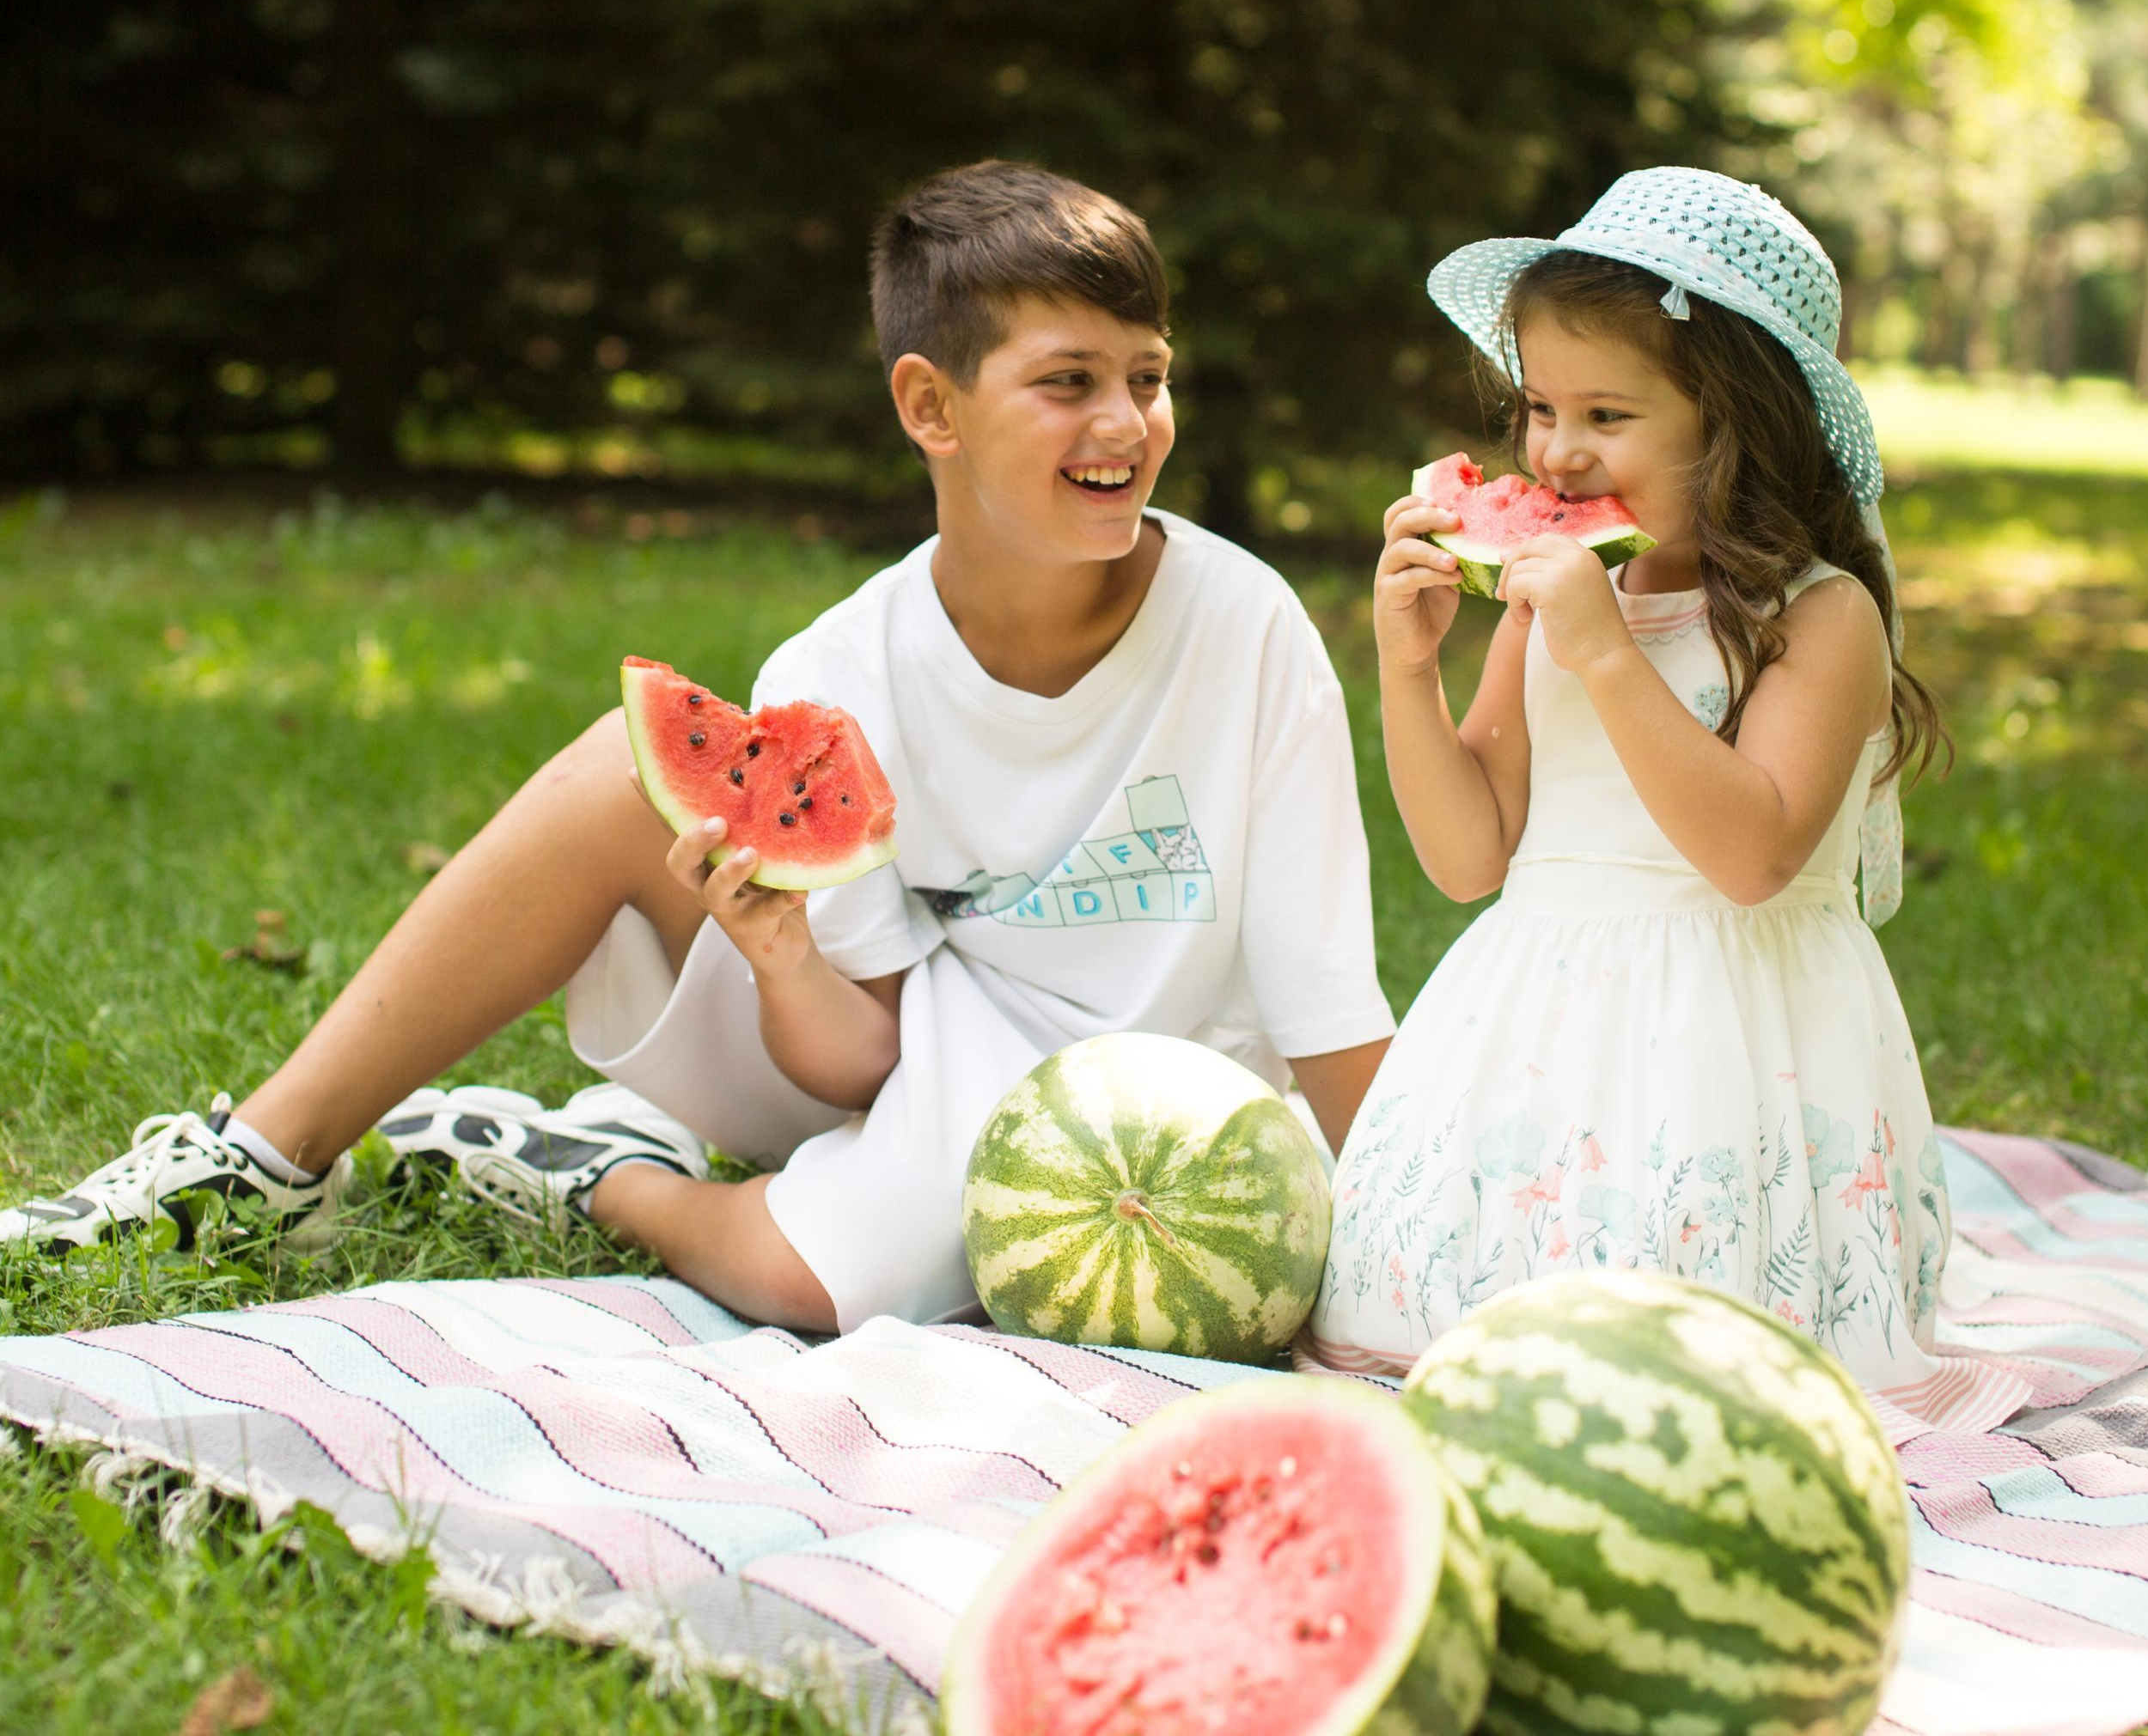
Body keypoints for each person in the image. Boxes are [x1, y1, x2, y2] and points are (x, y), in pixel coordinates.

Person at [3, 161, 1394, 1333]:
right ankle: (258, 1158)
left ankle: (592, 1171)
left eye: (1148, 378)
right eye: (1069, 380)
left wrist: (1412, 1253)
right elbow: (868, 1059)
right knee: (622, 762)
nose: (1125, 424)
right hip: (928, 1048)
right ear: (931, 408)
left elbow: (1325, 999)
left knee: (800, 1281)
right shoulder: (836, 672)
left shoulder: (1248, 624)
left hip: (1164, 1101)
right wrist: (782, 952)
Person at [1303, 166, 1968, 1407]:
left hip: (1735, 1034)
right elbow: (1467, 860)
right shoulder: (1550, 599)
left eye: (1609, 415)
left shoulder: (1817, 622)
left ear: (1738, 424)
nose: (1556, 452)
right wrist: (1408, 671)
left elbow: (1754, 853)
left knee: (1686, 1363)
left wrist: (1607, 650)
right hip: (1536, 1020)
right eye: (1538, 408)